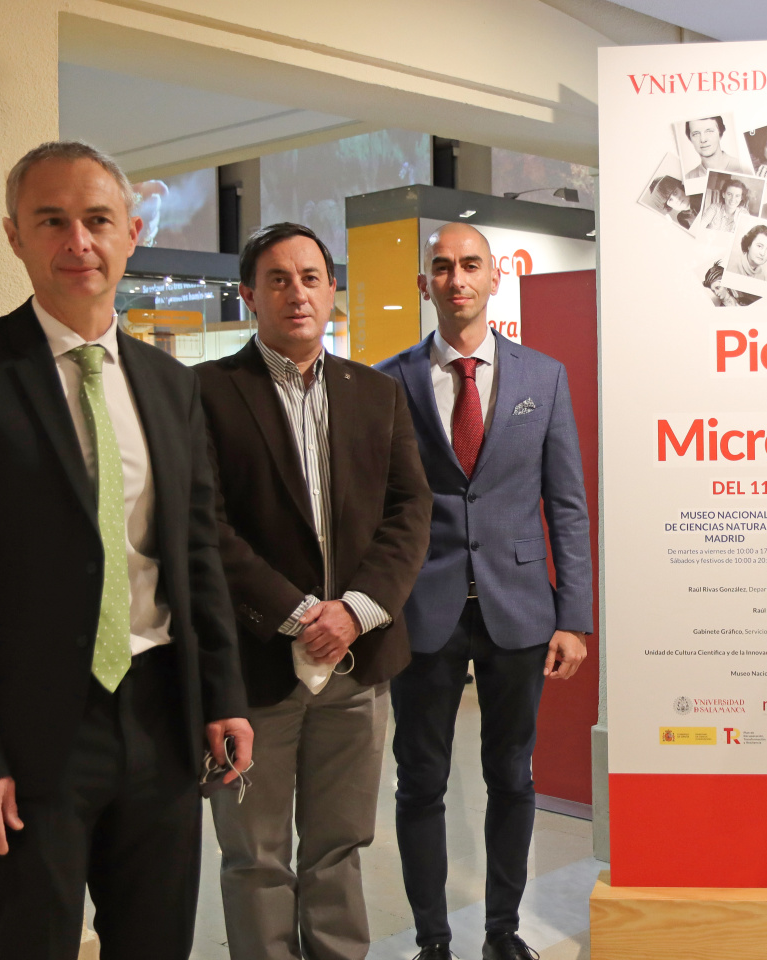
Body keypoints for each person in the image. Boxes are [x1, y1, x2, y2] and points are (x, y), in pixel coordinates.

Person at [0, 140, 253, 959]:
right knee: (29, 947)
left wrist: (222, 692)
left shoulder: (170, 384)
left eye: (97, 220)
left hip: (160, 714)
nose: (77, 242)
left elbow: (194, 553)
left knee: (156, 942)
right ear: (14, 236)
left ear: (131, 232)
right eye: (52, 221)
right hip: (21, 734)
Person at [198, 222, 433, 960]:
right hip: (254, 669)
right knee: (256, 855)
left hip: (359, 667)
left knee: (339, 845)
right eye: (277, 279)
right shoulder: (204, 392)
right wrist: (300, 616)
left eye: (310, 277)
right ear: (248, 294)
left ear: (333, 290)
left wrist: (356, 612)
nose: (296, 293)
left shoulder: (378, 393)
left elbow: (410, 510)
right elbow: (203, 524)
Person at [375, 223, 592, 960]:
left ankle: (503, 932)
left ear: (495, 277)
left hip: (521, 609)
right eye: (442, 267)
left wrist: (576, 616)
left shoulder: (544, 377)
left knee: (512, 776)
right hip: (420, 611)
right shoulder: (387, 381)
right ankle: (433, 941)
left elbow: (566, 504)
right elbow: (373, 510)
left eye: (470, 265)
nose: (456, 278)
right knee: (420, 783)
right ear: (424, 284)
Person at [681, 115, 750, 179]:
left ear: (720, 134)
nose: (703, 139)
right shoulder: (688, 178)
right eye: (696, 134)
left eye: (709, 131)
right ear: (690, 138)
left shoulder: (744, 167)